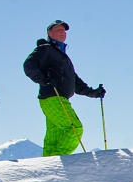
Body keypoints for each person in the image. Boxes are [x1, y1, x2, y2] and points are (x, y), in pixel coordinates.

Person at [23, 20, 104, 157]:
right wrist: (44, 80)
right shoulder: (46, 49)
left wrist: (94, 93)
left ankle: (46, 165)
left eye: (64, 30)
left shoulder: (62, 56)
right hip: (52, 97)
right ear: (50, 33)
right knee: (75, 128)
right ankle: (56, 163)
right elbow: (29, 65)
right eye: (58, 29)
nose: (62, 32)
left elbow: (75, 82)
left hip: (55, 98)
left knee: (54, 137)